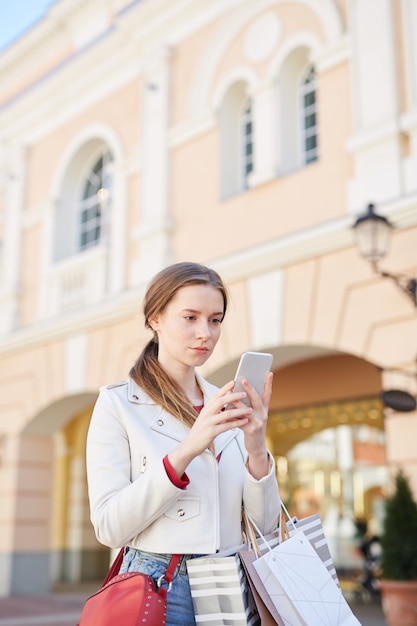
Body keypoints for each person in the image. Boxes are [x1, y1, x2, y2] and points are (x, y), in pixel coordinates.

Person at [86, 261, 281, 626]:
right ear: (155, 318)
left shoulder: (223, 402)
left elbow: (263, 527)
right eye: (190, 317)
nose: (204, 333)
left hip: (229, 587)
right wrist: (189, 447)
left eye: (215, 320)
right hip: (159, 584)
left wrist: (256, 446)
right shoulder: (118, 404)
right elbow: (110, 527)